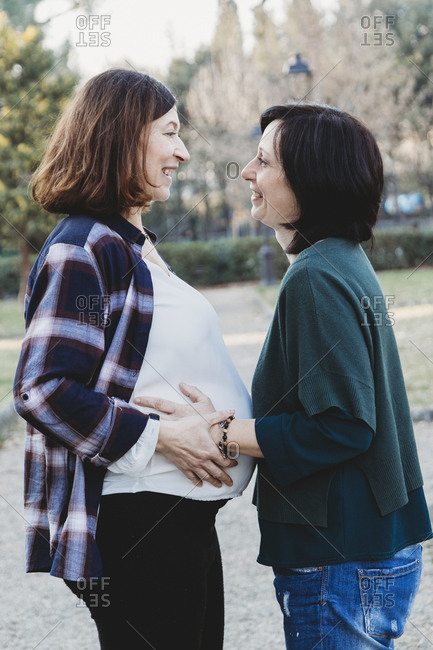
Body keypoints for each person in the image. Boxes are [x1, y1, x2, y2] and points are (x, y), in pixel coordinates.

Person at [136, 103, 433, 649]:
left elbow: (343, 426)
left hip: (340, 557)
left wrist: (219, 433)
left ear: (312, 180)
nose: (248, 172)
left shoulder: (316, 278)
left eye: (264, 161)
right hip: (366, 549)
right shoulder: (340, 260)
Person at [13, 68, 255, 650]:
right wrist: (163, 436)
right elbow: (42, 390)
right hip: (141, 526)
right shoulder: (83, 246)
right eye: (169, 132)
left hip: (175, 520)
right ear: (122, 137)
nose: (183, 152)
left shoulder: (129, 245)